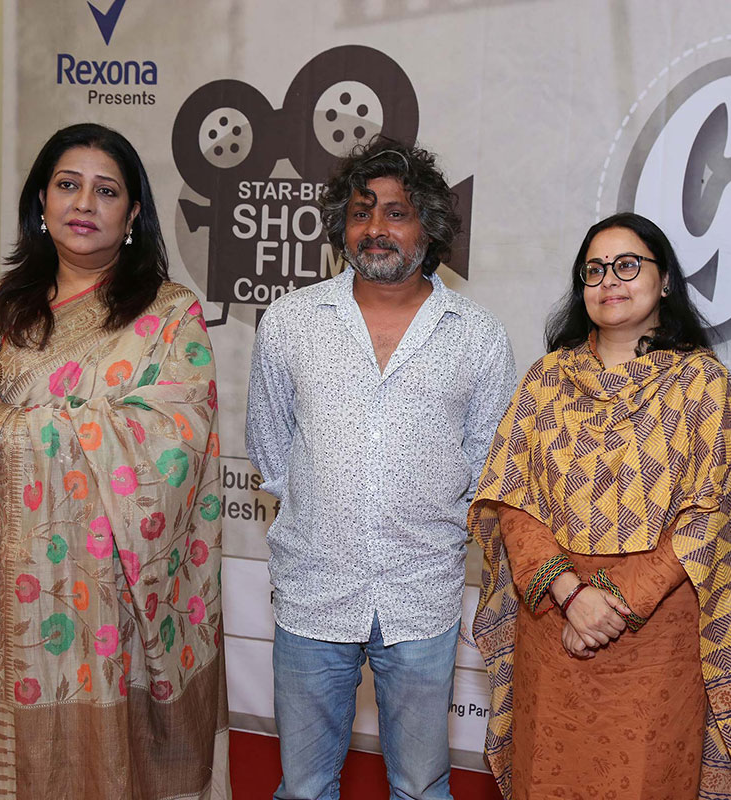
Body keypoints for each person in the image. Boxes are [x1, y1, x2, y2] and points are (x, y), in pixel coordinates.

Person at [0, 123, 229, 799]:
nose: (85, 203)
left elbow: (172, 444)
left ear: (132, 215)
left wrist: (8, 419)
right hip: (17, 577)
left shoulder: (171, 314)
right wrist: (95, 419)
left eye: (107, 190)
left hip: (122, 585)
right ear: (41, 201)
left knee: (116, 762)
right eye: (68, 185)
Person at [246, 136, 515, 800]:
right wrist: (323, 516)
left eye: (397, 212)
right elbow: (271, 448)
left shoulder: (476, 335)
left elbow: (488, 464)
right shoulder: (290, 322)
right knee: (304, 788)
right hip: (313, 591)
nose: (375, 228)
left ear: (429, 226)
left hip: (421, 595)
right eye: (361, 212)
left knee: (421, 787)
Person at [469, 212, 731, 800]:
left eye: (627, 265)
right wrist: (572, 596)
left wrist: (613, 603)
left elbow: (709, 516)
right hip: (553, 624)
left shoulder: (703, 386)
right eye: (594, 269)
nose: (609, 280)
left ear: (665, 281)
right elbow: (512, 498)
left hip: (656, 639)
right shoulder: (545, 381)